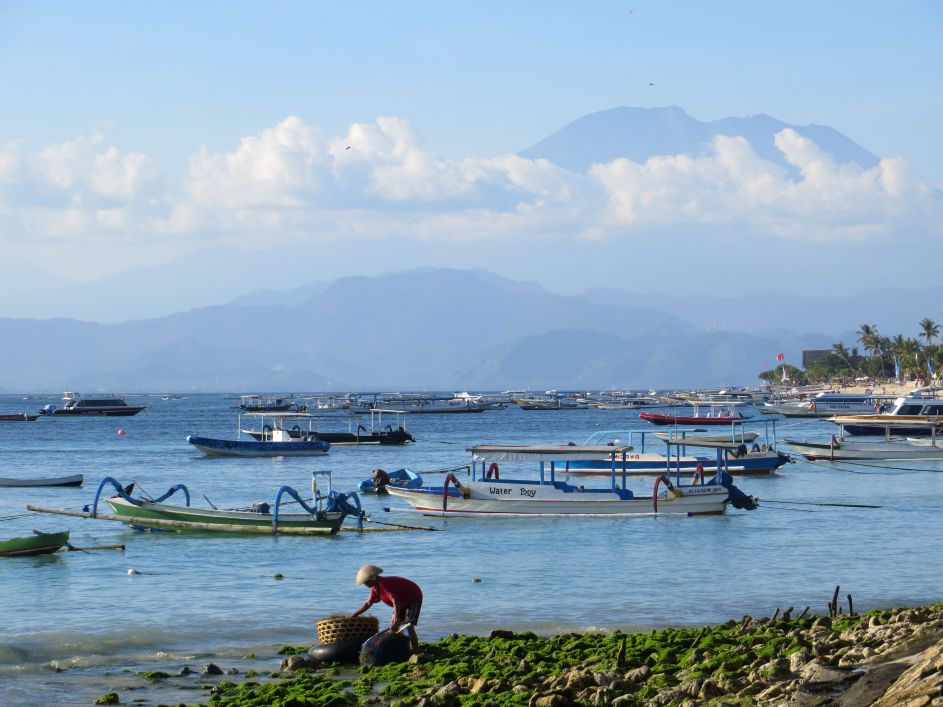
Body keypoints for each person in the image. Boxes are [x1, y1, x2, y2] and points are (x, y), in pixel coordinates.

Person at [351, 565, 422, 652]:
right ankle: (401, 647)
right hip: (402, 601)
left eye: (366, 582)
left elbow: (395, 600)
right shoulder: (374, 588)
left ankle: (416, 650)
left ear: (372, 578)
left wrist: (397, 617)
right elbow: (368, 603)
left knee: (409, 626)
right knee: (393, 626)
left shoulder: (383, 584)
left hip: (413, 597)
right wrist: (356, 614)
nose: (366, 585)